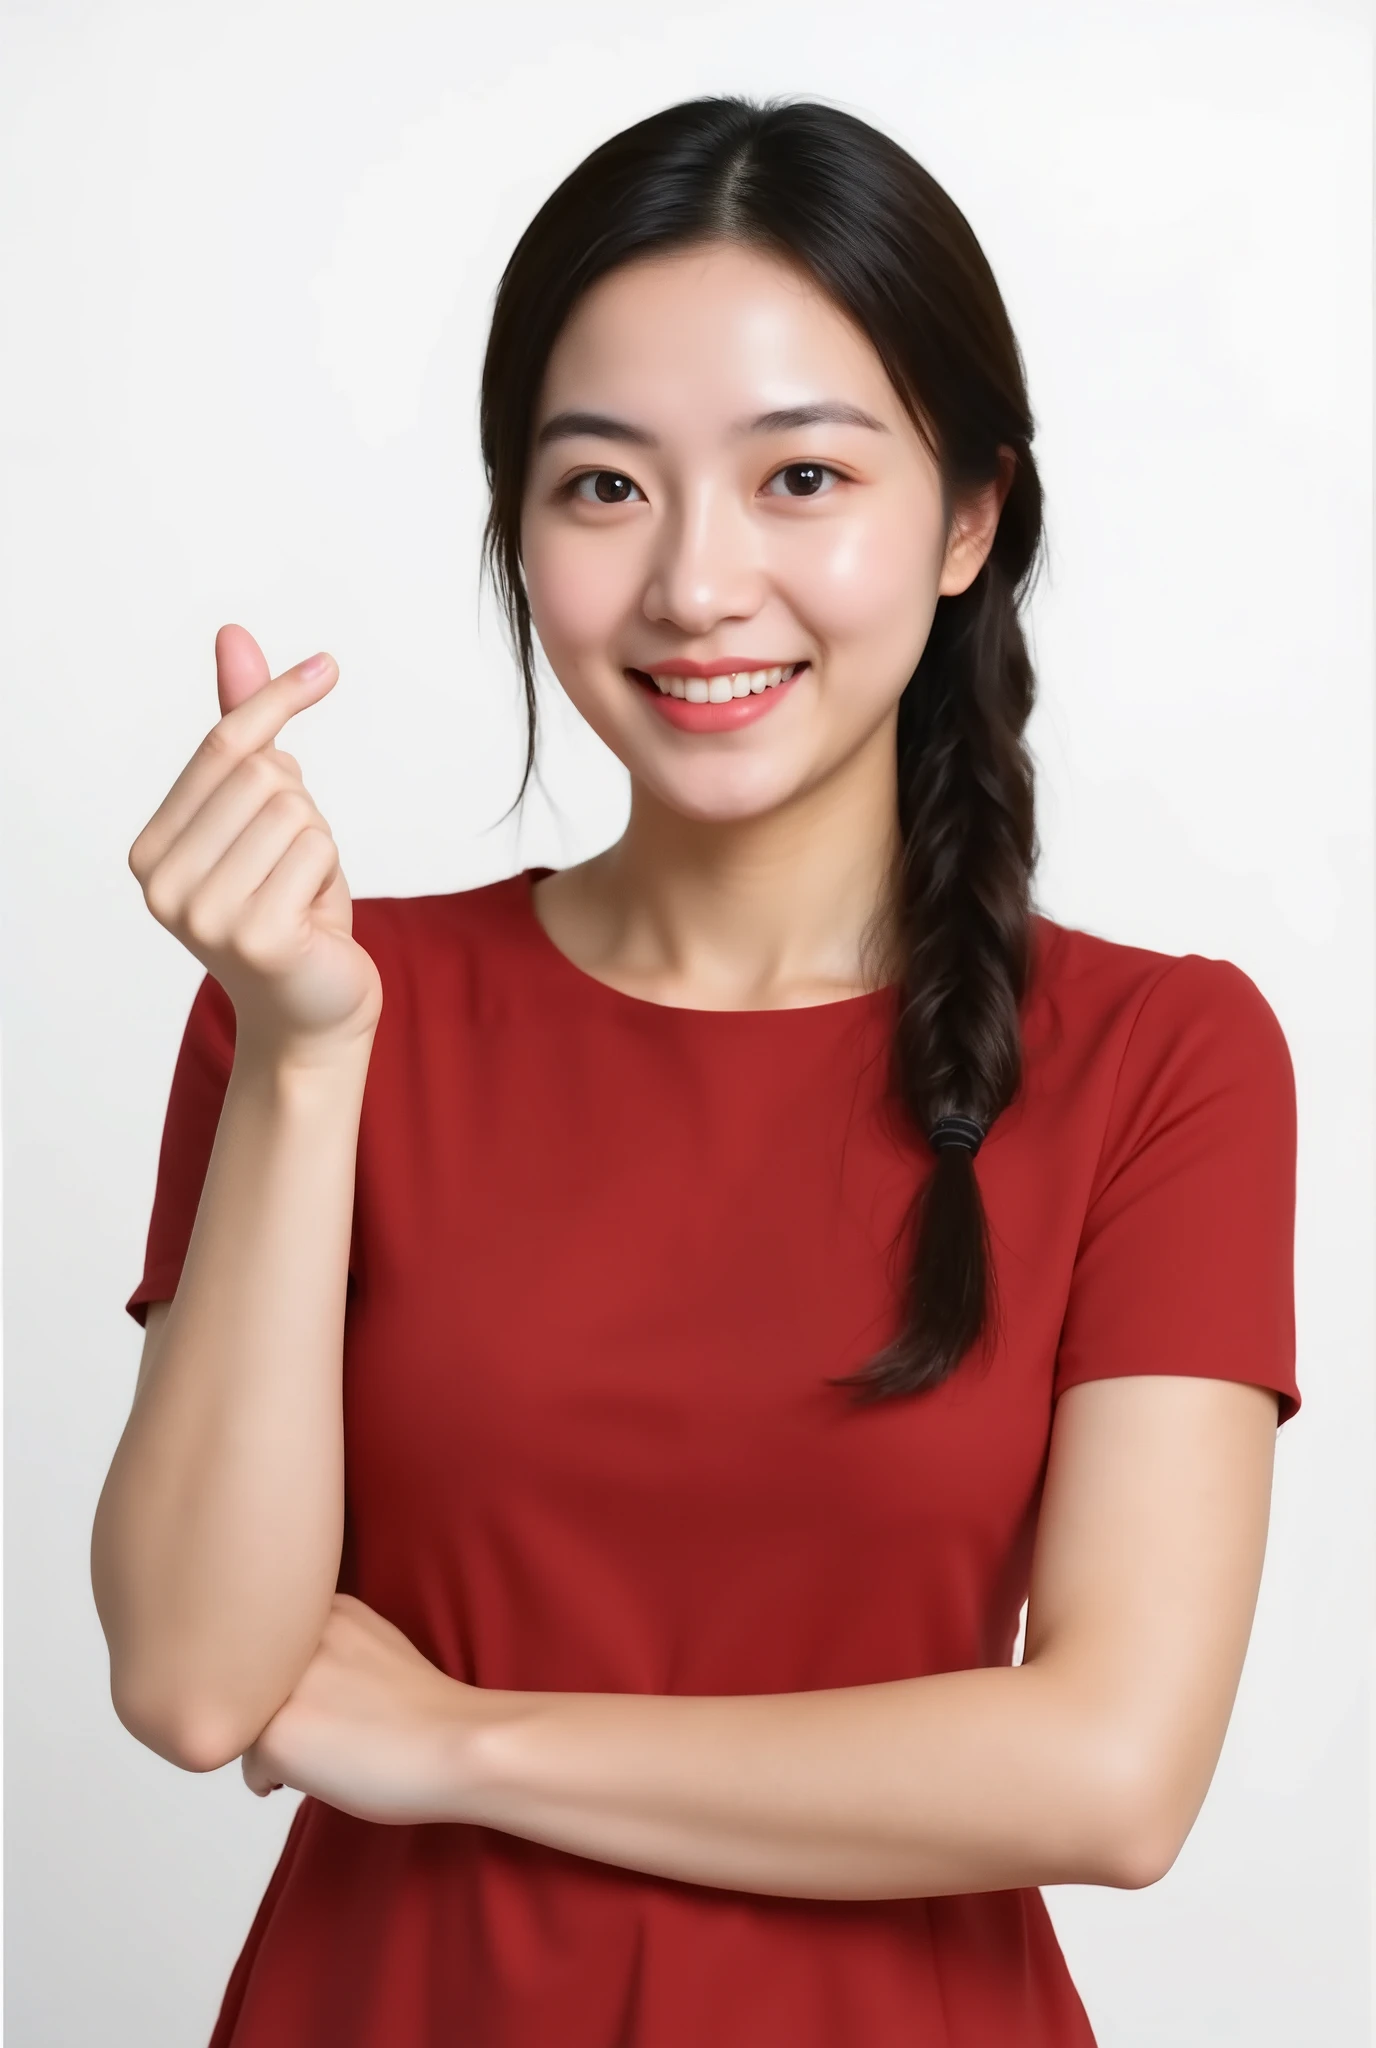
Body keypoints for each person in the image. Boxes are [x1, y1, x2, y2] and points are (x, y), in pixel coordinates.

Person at [91, 94, 1301, 2048]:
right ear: (517, 528)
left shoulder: (1164, 1058)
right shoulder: (317, 1005)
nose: (696, 584)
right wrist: (307, 1055)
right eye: (603, 486)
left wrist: (467, 1743)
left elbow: (1110, 1772)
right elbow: (194, 1677)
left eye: (801, 476)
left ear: (969, 517)